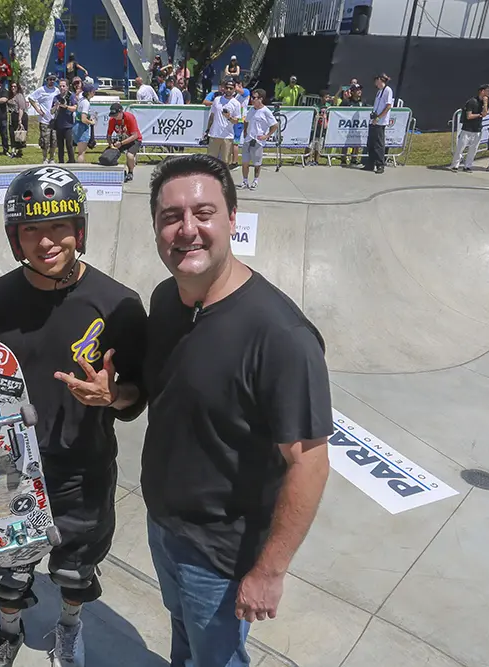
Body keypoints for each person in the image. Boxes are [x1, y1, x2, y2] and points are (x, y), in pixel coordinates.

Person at [0, 165, 148, 667]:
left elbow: (138, 396)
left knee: (76, 569)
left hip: (82, 466)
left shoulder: (118, 305)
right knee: (8, 569)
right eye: (31, 229)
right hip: (6, 465)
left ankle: (68, 627)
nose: (46, 241)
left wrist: (113, 395)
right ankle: (9, 628)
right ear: (15, 237)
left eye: (58, 226)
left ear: (80, 230)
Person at [144, 154, 331, 666]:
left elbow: (310, 463)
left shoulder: (281, 336)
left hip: (221, 556)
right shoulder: (166, 300)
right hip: (163, 527)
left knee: (218, 659)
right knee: (184, 641)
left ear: (232, 219)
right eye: (170, 217)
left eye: (203, 213)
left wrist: (269, 571)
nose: (187, 230)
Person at [238, 89, 278, 191]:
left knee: (257, 163)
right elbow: (246, 121)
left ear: (260, 99)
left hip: (258, 141)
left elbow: (275, 125)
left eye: (254, 98)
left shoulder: (266, 111)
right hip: (248, 140)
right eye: (252, 97)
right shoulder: (251, 110)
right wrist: (246, 131)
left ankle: (255, 180)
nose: (252, 99)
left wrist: (267, 135)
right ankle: (245, 181)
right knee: (245, 162)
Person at [450, 83, 489, 173]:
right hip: (467, 129)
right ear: (482, 91)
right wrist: (479, 115)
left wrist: (485, 103)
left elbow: (485, 113)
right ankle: (455, 165)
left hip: (477, 129)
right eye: (487, 91)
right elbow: (469, 116)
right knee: (461, 147)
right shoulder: (472, 102)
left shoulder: (485, 101)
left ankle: (468, 165)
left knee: (473, 148)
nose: (488, 93)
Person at [204, 80, 241, 165]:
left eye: (231, 88)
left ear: (234, 89)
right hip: (214, 134)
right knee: (210, 161)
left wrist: (229, 117)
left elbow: (236, 121)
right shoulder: (217, 100)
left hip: (227, 136)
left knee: (225, 162)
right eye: (227, 88)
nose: (228, 90)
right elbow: (212, 116)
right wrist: (208, 129)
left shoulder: (236, 104)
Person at [363, 73, 393, 174]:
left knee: (379, 144)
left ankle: (380, 164)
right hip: (374, 120)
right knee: (371, 143)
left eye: (376, 80)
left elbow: (388, 106)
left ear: (380, 80)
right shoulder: (379, 92)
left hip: (380, 121)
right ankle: (370, 163)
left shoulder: (388, 90)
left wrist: (379, 117)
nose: (375, 83)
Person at [106, 103, 141, 183]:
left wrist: (121, 143)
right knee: (108, 155)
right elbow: (108, 135)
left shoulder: (129, 117)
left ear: (121, 112)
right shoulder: (112, 120)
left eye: (116, 115)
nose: (114, 117)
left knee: (129, 155)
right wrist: (111, 145)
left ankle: (130, 172)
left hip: (134, 140)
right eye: (113, 115)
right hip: (121, 140)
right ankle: (115, 171)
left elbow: (135, 136)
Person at [29, 73, 60, 163]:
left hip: (54, 120)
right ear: (47, 80)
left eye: (53, 79)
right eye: (50, 79)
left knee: (54, 141)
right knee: (45, 141)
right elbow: (31, 98)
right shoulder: (41, 90)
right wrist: (38, 110)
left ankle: (52, 158)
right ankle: (45, 158)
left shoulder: (57, 90)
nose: (52, 81)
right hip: (44, 120)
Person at [338, 83, 364, 166]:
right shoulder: (347, 102)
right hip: (347, 126)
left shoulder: (363, 102)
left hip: (358, 126)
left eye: (360, 89)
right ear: (352, 92)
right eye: (357, 90)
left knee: (356, 143)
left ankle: (354, 159)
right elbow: (339, 111)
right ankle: (343, 159)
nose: (359, 91)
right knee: (345, 143)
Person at [54, 80, 76, 164]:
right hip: (59, 125)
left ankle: (71, 160)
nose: (62, 88)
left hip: (68, 125)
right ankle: (61, 161)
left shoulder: (71, 96)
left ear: (67, 87)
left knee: (69, 145)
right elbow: (52, 111)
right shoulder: (56, 97)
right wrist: (56, 106)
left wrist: (66, 106)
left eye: (63, 86)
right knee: (60, 146)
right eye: (60, 86)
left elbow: (75, 108)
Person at [231, 78, 251, 169]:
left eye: (235, 85)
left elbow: (239, 90)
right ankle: (233, 160)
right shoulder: (237, 96)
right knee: (232, 141)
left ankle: (235, 162)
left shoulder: (245, 92)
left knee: (235, 142)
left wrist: (234, 86)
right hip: (234, 119)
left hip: (240, 120)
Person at [74, 83, 96, 163]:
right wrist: (91, 122)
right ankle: (80, 170)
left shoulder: (81, 100)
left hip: (76, 125)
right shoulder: (86, 103)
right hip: (81, 127)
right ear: (89, 92)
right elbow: (83, 119)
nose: (94, 92)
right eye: (93, 91)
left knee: (80, 151)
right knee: (81, 153)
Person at [8, 81, 28, 159]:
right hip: (12, 116)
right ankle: (13, 150)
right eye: (12, 86)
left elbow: (21, 108)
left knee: (19, 134)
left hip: (20, 116)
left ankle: (18, 151)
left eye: (15, 86)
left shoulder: (19, 96)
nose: (13, 88)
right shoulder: (11, 96)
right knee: (12, 134)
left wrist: (20, 120)